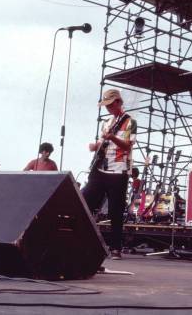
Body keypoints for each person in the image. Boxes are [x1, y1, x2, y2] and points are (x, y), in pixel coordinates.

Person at [81, 89, 137, 260]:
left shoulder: (130, 122)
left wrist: (112, 138)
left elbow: (128, 145)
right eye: (106, 106)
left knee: (115, 211)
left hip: (118, 171)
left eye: (110, 105)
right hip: (100, 169)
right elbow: (103, 142)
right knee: (84, 202)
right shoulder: (106, 122)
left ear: (118, 102)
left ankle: (116, 247)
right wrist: (95, 145)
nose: (108, 109)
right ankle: (83, 241)